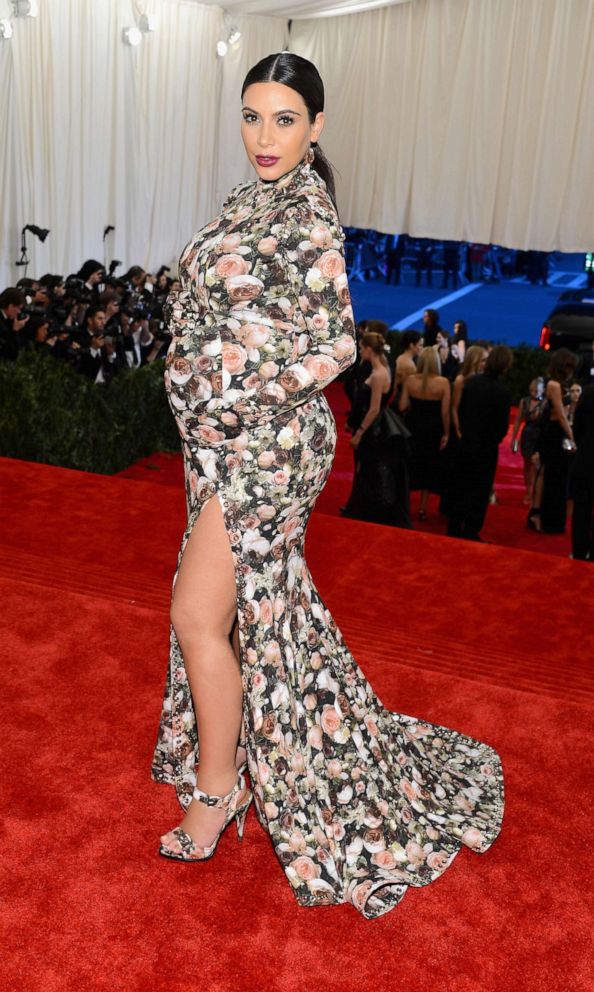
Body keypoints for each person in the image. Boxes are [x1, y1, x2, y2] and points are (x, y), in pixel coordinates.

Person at [151, 51, 503, 919]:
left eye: (282, 120)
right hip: (231, 442)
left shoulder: (307, 216)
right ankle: (231, 772)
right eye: (251, 116)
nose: (263, 137)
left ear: (315, 127)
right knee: (254, 616)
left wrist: (231, 386)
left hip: (268, 448)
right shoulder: (250, 200)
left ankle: (217, 788)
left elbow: (335, 346)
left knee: (199, 613)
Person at [342, 331, 411, 528]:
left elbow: (374, 408)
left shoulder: (379, 374)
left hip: (372, 431)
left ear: (369, 350)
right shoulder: (384, 368)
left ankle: (371, 513)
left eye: (362, 348)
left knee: (369, 469)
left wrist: (359, 432)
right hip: (375, 427)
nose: (360, 351)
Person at [445, 345, 513, 541]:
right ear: (505, 367)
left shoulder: (471, 383)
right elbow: (501, 427)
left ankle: (454, 526)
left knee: (461, 484)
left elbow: (461, 410)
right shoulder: (503, 392)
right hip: (486, 448)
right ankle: (471, 530)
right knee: (480, 489)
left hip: (465, 443)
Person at [399, 346, 450, 519]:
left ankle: (404, 502)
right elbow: (445, 412)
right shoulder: (443, 383)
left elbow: (402, 406)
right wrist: (446, 433)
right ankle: (422, 507)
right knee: (429, 466)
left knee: (411, 464)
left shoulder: (410, 380)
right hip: (433, 430)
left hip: (413, 427)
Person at [537, 349, 578, 534]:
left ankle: (555, 520)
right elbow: (561, 415)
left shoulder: (564, 384)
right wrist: (571, 435)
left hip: (561, 433)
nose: (570, 370)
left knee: (560, 478)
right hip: (554, 434)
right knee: (554, 478)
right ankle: (550, 521)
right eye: (568, 366)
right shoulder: (553, 384)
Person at [511, 378, 545, 505]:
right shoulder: (524, 401)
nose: (534, 393)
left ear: (543, 390)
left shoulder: (545, 403)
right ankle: (528, 491)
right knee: (526, 465)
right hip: (527, 435)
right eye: (532, 390)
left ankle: (535, 493)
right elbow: (518, 420)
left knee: (536, 465)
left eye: (537, 390)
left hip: (539, 436)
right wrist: (514, 438)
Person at [570, 384, 594, 560]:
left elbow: (577, 425)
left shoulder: (589, 391)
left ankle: (579, 552)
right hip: (586, 455)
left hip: (587, 456)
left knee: (582, 507)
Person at [394, 329, 421, 398]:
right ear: (411, 345)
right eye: (419, 345)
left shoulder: (400, 358)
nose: (420, 348)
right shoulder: (409, 365)